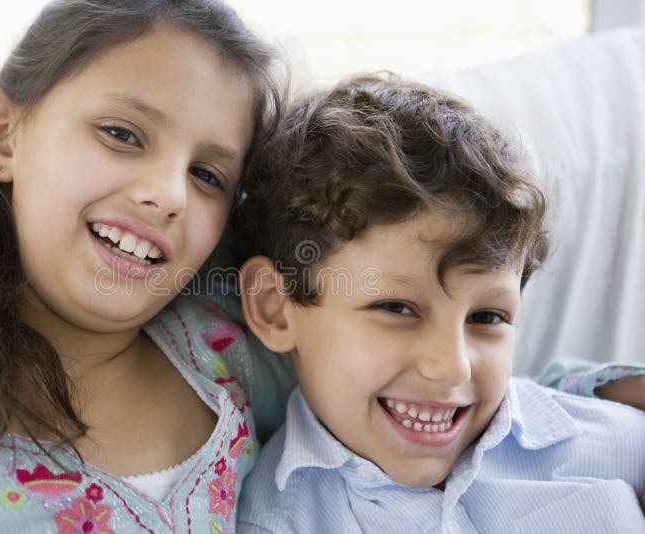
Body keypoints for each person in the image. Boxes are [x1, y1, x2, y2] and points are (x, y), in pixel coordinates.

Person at [0, 1, 296, 532]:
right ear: (0, 135)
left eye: (206, 175)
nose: (169, 194)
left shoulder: (239, 355)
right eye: (121, 134)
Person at [233, 73, 645, 533]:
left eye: (488, 317)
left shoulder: (617, 443)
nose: (453, 368)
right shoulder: (271, 522)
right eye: (397, 308)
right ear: (275, 306)